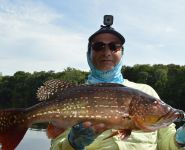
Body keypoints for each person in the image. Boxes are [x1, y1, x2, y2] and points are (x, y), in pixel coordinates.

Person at [50, 15, 185, 150]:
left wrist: (181, 138)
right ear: (88, 53)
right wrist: (72, 143)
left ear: (122, 54)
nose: (107, 52)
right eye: (98, 46)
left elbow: (168, 144)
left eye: (114, 46)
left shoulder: (147, 92)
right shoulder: (70, 96)